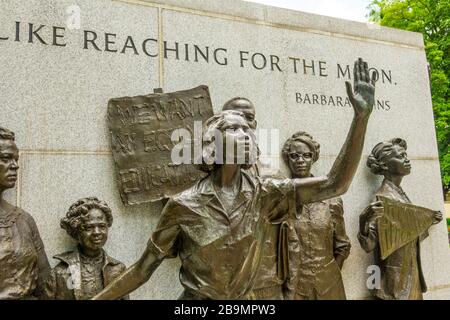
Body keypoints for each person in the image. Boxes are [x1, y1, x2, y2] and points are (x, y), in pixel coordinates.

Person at [92, 58, 376, 300]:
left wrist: (360, 118)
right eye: (236, 128)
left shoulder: (266, 193)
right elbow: (143, 269)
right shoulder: (183, 205)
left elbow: (335, 184)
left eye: (248, 128)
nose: (247, 134)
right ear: (214, 142)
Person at [358, 138, 443, 300]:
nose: (407, 159)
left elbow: (404, 234)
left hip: (411, 275)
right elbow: (369, 245)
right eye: (401, 156)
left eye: (406, 155)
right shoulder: (382, 198)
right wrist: (363, 222)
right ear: (386, 165)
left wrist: (426, 221)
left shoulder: (400, 195)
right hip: (394, 282)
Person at [281, 131, 351, 300]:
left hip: (329, 283)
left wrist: (331, 273)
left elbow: (342, 244)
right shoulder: (280, 199)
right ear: (287, 159)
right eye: (294, 156)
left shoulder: (331, 199)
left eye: (306, 155)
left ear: (313, 158)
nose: (300, 161)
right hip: (295, 285)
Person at [0, 127, 50, 300]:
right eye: (6, 158)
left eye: (15, 159)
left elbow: (47, 286)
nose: (15, 165)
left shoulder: (24, 220)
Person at [44, 197, 128, 300]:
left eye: (102, 226)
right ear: (76, 231)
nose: (97, 232)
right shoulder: (60, 273)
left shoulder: (118, 269)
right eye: (89, 227)